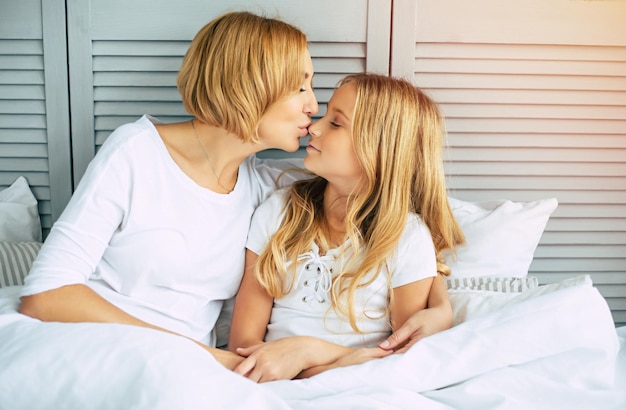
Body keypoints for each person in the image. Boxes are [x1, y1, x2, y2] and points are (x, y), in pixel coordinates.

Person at [18, 11, 318, 370]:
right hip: (92, 351)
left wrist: (405, 318)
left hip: (181, 372)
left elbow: (371, 184)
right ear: (252, 85)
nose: (313, 106)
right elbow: (45, 294)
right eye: (300, 87)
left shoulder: (267, 188)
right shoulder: (137, 152)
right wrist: (202, 358)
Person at [228, 73, 465, 382]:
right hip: (272, 386)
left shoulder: (406, 237)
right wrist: (328, 362)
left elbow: (400, 358)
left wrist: (308, 351)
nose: (314, 126)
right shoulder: (279, 212)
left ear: (379, 150)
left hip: (358, 389)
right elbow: (242, 347)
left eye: (336, 123)